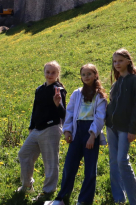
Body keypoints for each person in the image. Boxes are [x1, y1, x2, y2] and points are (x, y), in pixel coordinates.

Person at [53, 63, 107, 205]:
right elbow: (70, 113)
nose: (86, 77)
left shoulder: (100, 96)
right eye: (83, 74)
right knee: (69, 165)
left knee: (90, 169)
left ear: (95, 75)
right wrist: (67, 130)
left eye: (89, 74)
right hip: (77, 130)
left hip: (91, 132)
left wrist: (92, 135)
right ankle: (61, 197)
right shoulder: (77, 93)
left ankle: (84, 201)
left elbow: (100, 117)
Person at [17, 61, 67, 203]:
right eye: (47, 72)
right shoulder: (39, 89)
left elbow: (64, 114)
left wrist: (58, 104)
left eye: (53, 72)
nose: (50, 75)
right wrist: (32, 126)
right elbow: (35, 109)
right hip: (37, 129)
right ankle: (27, 185)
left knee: (50, 161)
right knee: (24, 154)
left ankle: (48, 191)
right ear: (44, 72)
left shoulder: (58, 90)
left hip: (51, 128)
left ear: (58, 74)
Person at [105, 48, 136, 205]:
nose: (117, 64)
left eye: (120, 61)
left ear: (128, 61)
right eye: (115, 61)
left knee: (122, 161)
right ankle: (119, 198)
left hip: (125, 128)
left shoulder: (135, 80)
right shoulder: (117, 82)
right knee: (114, 161)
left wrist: (132, 128)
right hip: (111, 126)